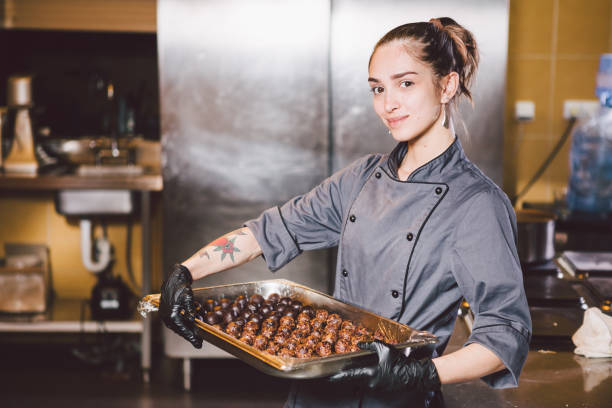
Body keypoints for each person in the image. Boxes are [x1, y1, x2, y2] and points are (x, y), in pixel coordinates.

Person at [160, 17, 531, 407]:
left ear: (447, 85)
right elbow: (271, 231)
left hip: (396, 398)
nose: (388, 104)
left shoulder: (476, 203)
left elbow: (505, 332)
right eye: (377, 88)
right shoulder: (362, 177)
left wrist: (419, 372)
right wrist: (185, 272)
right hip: (318, 392)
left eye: (406, 83)